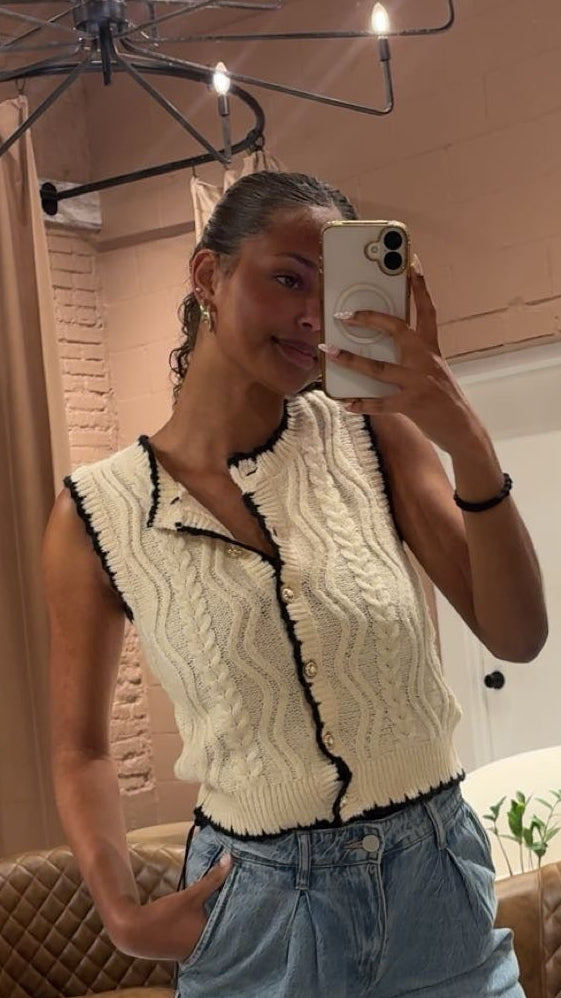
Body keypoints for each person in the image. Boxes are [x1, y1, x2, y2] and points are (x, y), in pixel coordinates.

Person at [42, 171, 547, 998]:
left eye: (332, 287)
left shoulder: (372, 437)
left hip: (435, 884)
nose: (314, 317)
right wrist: (120, 910)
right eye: (287, 279)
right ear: (208, 276)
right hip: (260, 911)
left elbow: (518, 636)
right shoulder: (98, 513)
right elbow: (82, 749)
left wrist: (467, 440)